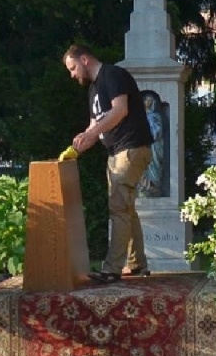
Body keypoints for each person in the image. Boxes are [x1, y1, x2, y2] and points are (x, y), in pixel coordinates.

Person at [61, 44, 154, 282]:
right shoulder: (93, 89)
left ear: (84, 59)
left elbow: (120, 110)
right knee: (126, 209)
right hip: (117, 153)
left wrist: (92, 134)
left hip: (131, 149)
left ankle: (112, 269)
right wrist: (78, 146)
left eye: (72, 68)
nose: (72, 75)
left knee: (119, 208)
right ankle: (136, 264)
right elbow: (95, 125)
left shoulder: (113, 74)